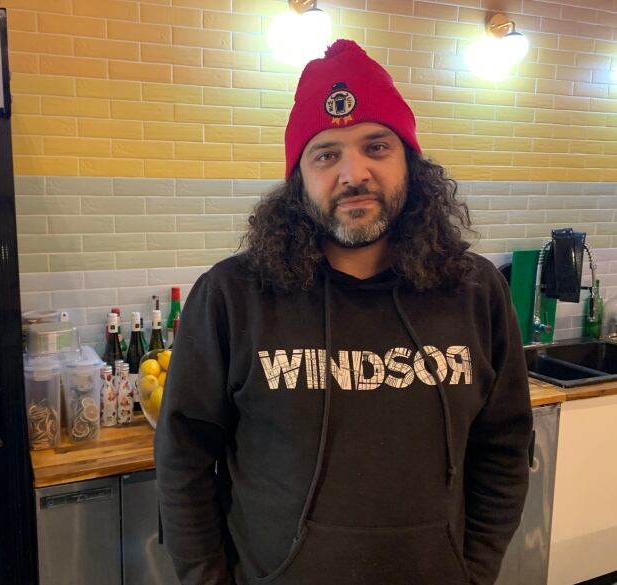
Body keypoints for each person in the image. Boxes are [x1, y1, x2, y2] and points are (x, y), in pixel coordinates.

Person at [155, 39, 532, 585]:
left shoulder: (475, 292)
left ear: (411, 163)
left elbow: (504, 448)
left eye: (376, 146)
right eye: (326, 153)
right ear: (299, 178)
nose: (353, 173)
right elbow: (183, 459)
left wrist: (473, 571)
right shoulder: (232, 296)